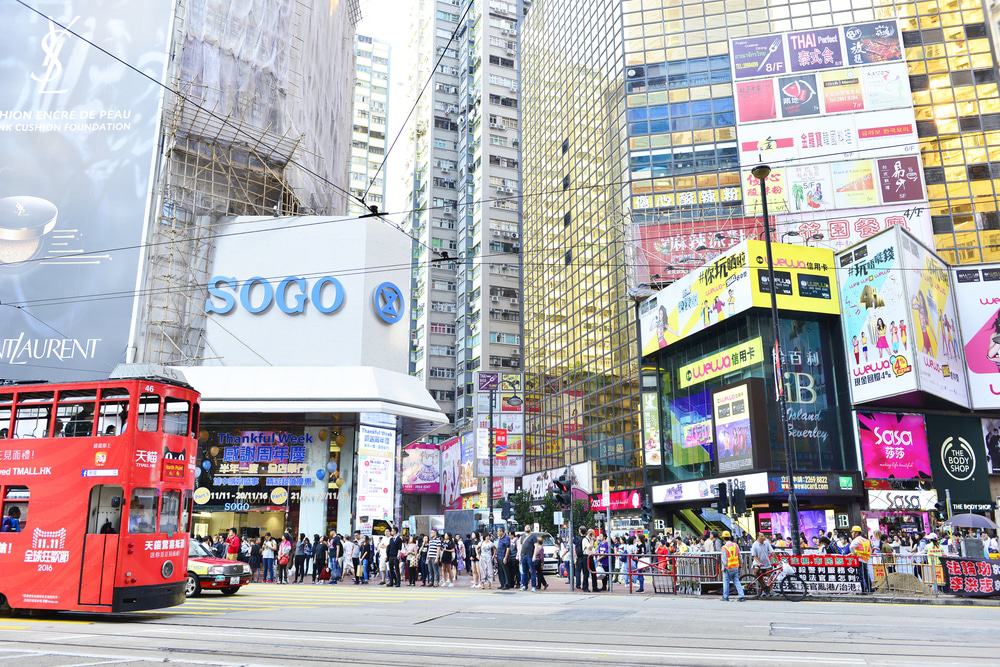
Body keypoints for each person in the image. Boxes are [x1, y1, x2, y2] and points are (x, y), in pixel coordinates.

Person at [720, 531, 745, 602]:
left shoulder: (724, 547)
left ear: (723, 538)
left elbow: (724, 560)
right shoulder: (735, 545)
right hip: (735, 567)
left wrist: (723, 568)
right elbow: (739, 556)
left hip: (727, 568)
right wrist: (741, 564)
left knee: (726, 582)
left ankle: (725, 597)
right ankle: (741, 596)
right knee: (737, 581)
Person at [850, 526, 873, 594]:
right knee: (866, 575)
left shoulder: (857, 540)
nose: (852, 534)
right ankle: (869, 589)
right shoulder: (866, 540)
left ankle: (863, 590)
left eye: (853, 532)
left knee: (861, 575)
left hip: (859, 560)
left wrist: (854, 553)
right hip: (865, 560)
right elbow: (870, 550)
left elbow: (851, 547)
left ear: (856, 533)